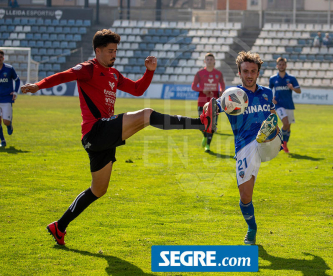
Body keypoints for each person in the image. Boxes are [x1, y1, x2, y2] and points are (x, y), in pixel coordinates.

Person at [21, 29, 217, 245]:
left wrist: (149, 72)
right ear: (97, 51)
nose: (113, 54)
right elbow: (64, 75)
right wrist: (37, 85)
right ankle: (200, 124)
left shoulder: (114, 74)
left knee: (98, 190)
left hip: (102, 137)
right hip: (95, 131)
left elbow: (137, 89)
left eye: (115, 50)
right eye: (109, 51)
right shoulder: (88, 68)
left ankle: (59, 226)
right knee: (147, 115)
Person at [210, 51, 282, 245]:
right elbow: (213, 108)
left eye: (253, 71)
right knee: (245, 196)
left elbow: (272, 113)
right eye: (245, 71)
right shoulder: (231, 95)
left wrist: (275, 128)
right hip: (244, 146)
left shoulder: (267, 93)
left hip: (265, 141)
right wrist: (209, 112)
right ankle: (252, 227)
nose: (249, 75)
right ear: (239, 72)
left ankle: (273, 141)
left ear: (258, 72)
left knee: (268, 137)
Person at [191, 53, 225, 152]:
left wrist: (222, 90)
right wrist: (202, 89)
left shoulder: (218, 73)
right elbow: (193, 86)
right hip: (202, 101)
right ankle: (205, 136)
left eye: (211, 59)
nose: (209, 61)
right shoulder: (200, 73)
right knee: (200, 123)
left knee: (212, 124)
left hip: (214, 102)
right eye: (208, 59)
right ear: (205, 61)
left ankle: (208, 145)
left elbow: (222, 84)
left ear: (214, 61)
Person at [269, 57, 301, 153]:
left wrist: (292, 88)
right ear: (277, 66)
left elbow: (299, 91)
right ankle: (278, 140)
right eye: (280, 64)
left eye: (283, 64)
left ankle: (285, 144)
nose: (281, 66)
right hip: (279, 105)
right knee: (285, 123)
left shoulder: (291, 78)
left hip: (289, 105)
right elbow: (269, 91)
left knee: (288, 127)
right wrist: (272, 99)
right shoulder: (273, 79)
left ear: (286, 66)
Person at [0, 49, 20, 148]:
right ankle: (2, 141)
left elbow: (17, 80)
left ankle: (9, 125)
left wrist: (15, 92)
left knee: (5, 122)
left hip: (6, 98)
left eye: (0, 57)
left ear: (3, 58)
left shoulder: (9, 69)